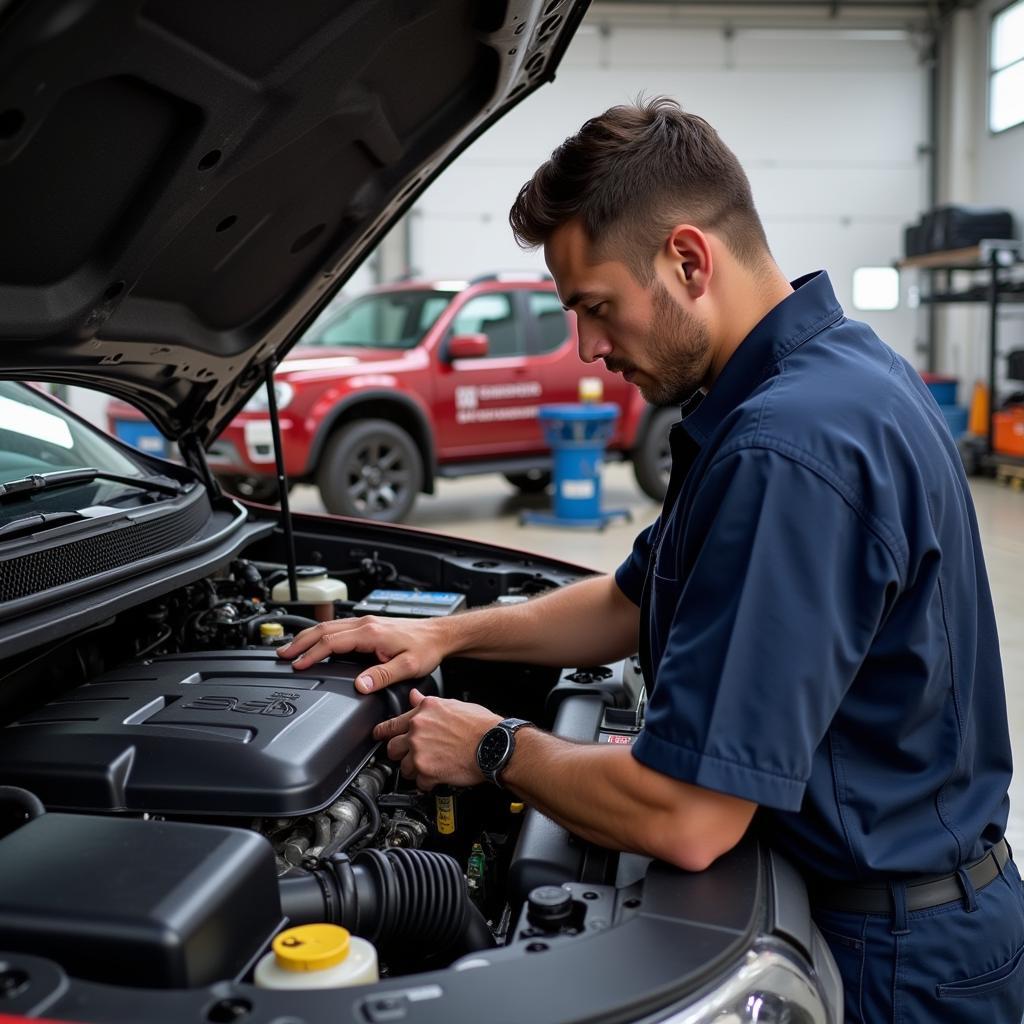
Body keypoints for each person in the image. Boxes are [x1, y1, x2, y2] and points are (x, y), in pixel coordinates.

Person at [278, 98, 1024, 1022]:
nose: (589, 350)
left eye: (596, 308)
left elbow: (688, 817)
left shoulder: (789, 448)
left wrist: (493, 747)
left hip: (897, 964)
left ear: (687, 260)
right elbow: (632, 597)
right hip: (916, 919)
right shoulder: (829, 378)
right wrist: (441, 632)